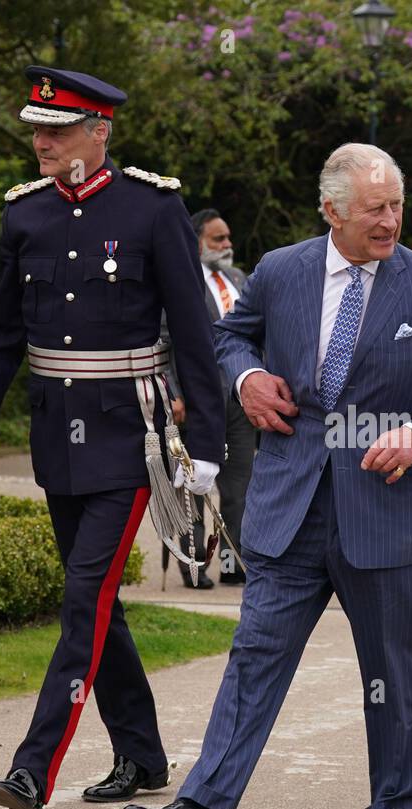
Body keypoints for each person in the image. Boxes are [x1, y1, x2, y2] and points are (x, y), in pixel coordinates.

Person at [118, 143, 412, 809]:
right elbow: (228, 338)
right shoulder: (282, 271)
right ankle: (202, 806)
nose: (390, 222)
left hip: (384, 508)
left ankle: (398, 808)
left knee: (390, 671)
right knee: (254, 656)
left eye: (397, 206)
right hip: (290, 504)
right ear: (332, 210)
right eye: (375, 209)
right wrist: (247, 378)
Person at [0, 66, 225, 809]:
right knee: (97, 604)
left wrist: (210, 448)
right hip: (55, 438)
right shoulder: (24, 217)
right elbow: (1, 337)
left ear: (99, 133)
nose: (40, 141)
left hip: (130, 439)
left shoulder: (153, 209)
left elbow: (196, 335)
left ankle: (32, 769)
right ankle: (143, 752)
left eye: (56, 129)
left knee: (82, 599)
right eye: (36, 128)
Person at [165, 208, 255, 587]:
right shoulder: (180, 281)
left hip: (239, 403)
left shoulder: (240, 280)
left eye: (228, 238)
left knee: (238, 489)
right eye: (218, 239)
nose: (226, 245)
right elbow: (165, 341)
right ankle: (193, 566)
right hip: (196, 404)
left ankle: (232, 565)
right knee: (192, 486)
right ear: (198, 240)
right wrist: (174, 393)